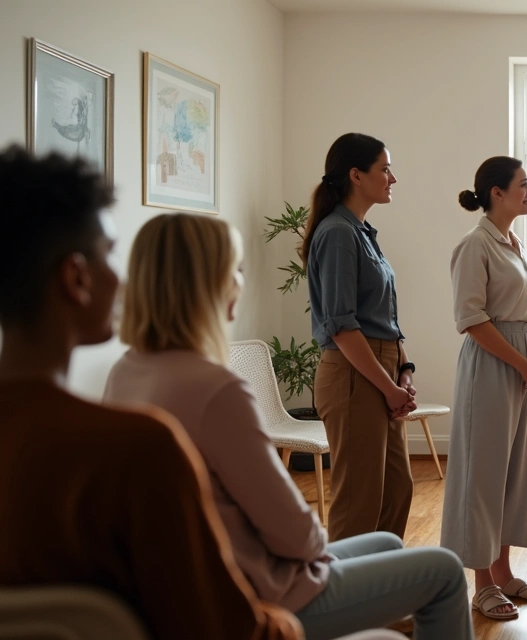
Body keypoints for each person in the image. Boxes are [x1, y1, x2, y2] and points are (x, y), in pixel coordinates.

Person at [103, 212, 474, 640]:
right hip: (256, 589)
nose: (240, 282)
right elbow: (292, 531)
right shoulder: (216, 389)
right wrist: (315, 556)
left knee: (385, 544)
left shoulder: (125, 372)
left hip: (196, 575)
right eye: (236, 270)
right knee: (445, 570)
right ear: (212, 283)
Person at [0, 145, 301, 640]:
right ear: (75, 277)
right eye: (110, 253)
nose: (123, 277)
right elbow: (226, 629)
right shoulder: (140, 448)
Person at [442, 156, 527, 620]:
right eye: (523, 185)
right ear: (497, 192)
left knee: (512, 472)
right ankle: (481, 583)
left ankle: (505, 572)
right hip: (491, 365)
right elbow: (471, 320)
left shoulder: (514, 242)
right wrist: (523, 364)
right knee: (483, 474)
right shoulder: (475, 246)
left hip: (521, 359)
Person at [302, 133, 417, 542]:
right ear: (356, 175)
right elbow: (343, 326)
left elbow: (384, 316)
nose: (392, 178)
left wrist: (402, 372)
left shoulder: (362, 232)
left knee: (396, 489)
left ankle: (381, 591)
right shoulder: (337, 234)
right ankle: (345, 600)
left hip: (380, 369)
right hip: (353, 374)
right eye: (384, 168)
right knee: (359, 500)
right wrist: (388, 387)